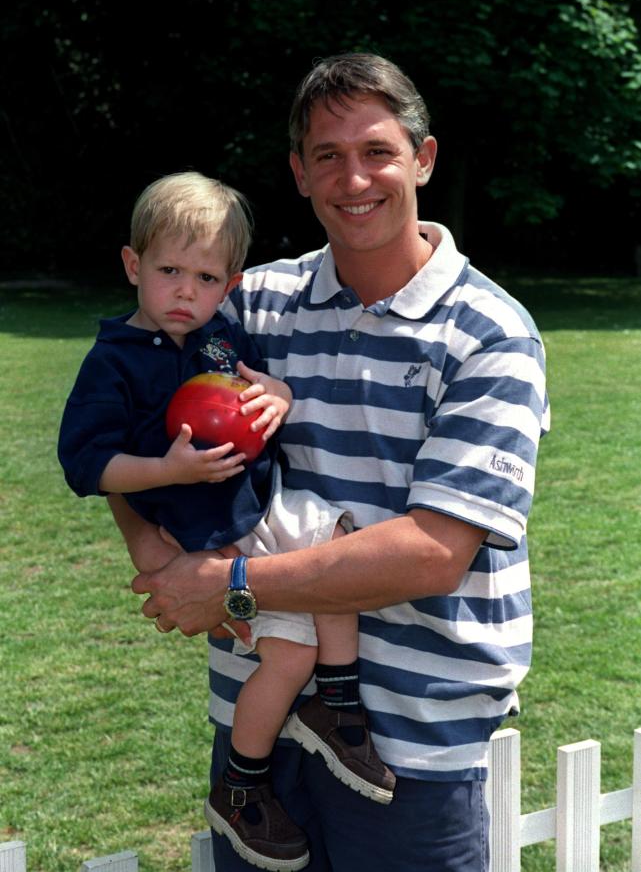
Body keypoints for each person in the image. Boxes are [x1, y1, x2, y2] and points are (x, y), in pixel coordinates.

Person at [114, 54, 550, 871]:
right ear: (299, 175)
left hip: (412, 738)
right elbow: (124, 415)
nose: (355, 178)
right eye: (328, 156)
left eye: (377, 151)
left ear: (422, 159)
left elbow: (432, 552)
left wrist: (231, 585)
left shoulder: (490, 334)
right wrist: (157, 559)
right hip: (258, 721)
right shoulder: (250, 304)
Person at [57, 171, 395, 872]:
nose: (186, 291)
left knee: (339, 543)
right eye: (169, 270)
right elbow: (86, 463)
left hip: (258, 508)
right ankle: (241, 783)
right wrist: (164, 473)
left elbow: (252, 385)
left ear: (230, 283)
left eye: (206, 277)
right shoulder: (111, 361)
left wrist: (277, 393)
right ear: (133, 266)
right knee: (288, 652)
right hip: (203, 537)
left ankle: (335, 703)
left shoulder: (220, 334)